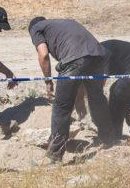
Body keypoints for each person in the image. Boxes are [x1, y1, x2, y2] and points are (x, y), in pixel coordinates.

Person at [28, 16, 117, 161]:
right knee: (97, 97)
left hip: (75, 58)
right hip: (99, 56)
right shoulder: (64, 22)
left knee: (61, 106)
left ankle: (54, 156)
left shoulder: (36, 28)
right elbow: (84, 61)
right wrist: (79, 97)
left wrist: (48, 82)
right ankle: (108, 138)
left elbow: (43, 55)